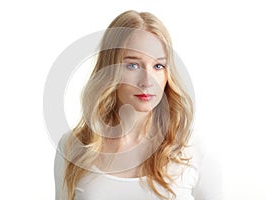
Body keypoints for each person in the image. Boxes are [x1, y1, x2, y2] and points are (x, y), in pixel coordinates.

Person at [54, 10, 222, 200]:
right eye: (132, 65)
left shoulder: (193, 148)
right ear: (109, 69)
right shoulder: (72, 147)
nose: (147, 81)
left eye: (158, 66)